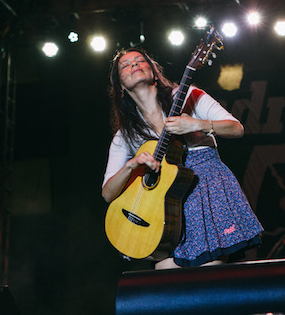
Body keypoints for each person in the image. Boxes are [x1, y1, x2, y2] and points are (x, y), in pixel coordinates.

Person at [102, 47, 263, 269]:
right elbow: (108, 193)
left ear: (154, 72)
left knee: (209, 279)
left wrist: (199, 124)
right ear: (120, 85)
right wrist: (131, 165)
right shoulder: (126, 135)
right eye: (125, 65)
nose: (134, 65)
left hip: (206, 189)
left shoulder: (189, 96)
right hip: (165, 210)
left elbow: (237, 129)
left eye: (140, 60)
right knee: (168, 281)